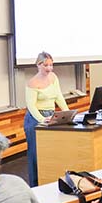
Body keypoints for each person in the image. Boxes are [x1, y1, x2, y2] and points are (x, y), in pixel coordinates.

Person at [24, 51, 70, 186]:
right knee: (35, 154)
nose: (49, 68)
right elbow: (31, 105)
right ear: (38, 65)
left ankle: (49, 181)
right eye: (45, 65)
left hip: (52, 115)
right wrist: (42, 119)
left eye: (51, 65)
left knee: (51, 150)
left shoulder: (54, 77)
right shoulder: (32, 83)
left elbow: (58, 96)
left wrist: (67, 112)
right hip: (35, 119)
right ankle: (35, 186)